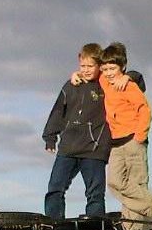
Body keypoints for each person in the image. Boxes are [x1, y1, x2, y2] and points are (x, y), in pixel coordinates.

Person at [97, 42, 152, 230]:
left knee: (137, 184)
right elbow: (92, 70)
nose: (109, 72)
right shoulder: (105, 81)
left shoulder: (128, 86)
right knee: (115, 182)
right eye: (105, 69)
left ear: (122, 67)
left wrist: (140, 136)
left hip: (133, 140)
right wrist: (76, 75)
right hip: (116, 143)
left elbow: (144, 110)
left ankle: (132, 229)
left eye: (113, 68)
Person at [42, 43, 111, 220]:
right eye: (83, 66)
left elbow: (132, 77)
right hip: (68, 148)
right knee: (55, 188)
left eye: (90, 66)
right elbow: (58, 111)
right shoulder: (71, 85)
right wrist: (50, 137)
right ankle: (54, 225)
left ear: (99, 66)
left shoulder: (106, 85)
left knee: (95, 193)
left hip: (94, 150)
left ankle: (95, 228)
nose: (86, 70)